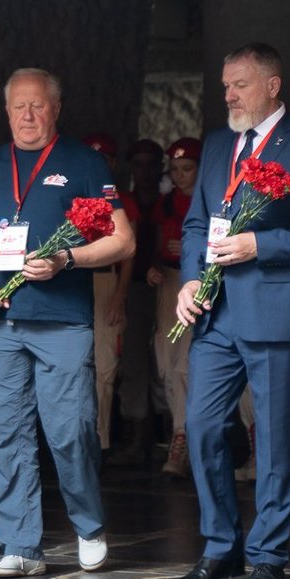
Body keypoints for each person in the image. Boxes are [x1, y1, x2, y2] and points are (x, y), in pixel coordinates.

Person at [171, 43, 290, 579]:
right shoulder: (219, 144)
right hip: (216, 310)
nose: (229, 94)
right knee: (200, 426)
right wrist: (189, 277)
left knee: (274, 439)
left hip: (277, 312)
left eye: (240, 84)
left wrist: (259, 244)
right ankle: (222, 547)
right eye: (225, 84)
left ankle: (268, 554)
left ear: (273, 86)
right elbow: (198, 222)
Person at [0, 71, 133, 577]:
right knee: (4, 435)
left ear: (55, 109)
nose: (27, 116)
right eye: (18, 107)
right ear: (6, 111)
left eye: (37, 106)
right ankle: (20, 546)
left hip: (61, 321)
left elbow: (123, 240)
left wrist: (67, 260)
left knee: (70, 431)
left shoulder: (83, 162)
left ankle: (89, 524)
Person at [82, 132, 135, 459]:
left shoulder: (122, 201)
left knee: (104, 367)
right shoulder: (73, 196)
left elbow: (129, 252)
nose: (99, 164)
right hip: (74, 280)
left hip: (105, 281)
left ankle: (98, 443)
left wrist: (119, 295)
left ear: (113, 164)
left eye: (105, 159)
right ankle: (74, 439)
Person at [149, 137, 200, 477]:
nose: (181, 176)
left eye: (187, 169)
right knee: (166, 363)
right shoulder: (165, 204)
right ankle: (179, 430)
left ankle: (183, 437)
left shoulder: (208, 201)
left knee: (186, 364)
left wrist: (190, 250)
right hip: (168, 281)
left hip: (195, 282)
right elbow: (154, 245)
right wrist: (152, 266)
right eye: (176, 170)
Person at [115, 138, 167, 465]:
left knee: (166, 358)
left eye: (151, 164)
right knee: (132, 360)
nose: (145, 171)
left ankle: (166, 431)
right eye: (139, 164)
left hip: (168, 284)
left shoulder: (170, 202)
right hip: (131, 287)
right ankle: (136, 433)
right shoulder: (123, 202)